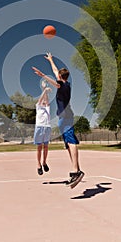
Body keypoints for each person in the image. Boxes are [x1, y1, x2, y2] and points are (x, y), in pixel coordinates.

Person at [32, 52, 84, 188]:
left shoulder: (63, 85)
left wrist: (43, 75)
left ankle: (76, 170)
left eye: (58, 76)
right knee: (68, 143)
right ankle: (76, 171)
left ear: (61, 77)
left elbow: (55, 83)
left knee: (71, 141)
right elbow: (56, 73)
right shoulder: (66, 84)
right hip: (64, 117)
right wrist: (51, 60)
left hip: (66, 116)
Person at [34, 80, 52, 175]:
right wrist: (44, 89)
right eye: (43, 100)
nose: (44, 101)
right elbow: (41, 99)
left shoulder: (47, 107)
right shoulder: (38, 106)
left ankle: (44, 162)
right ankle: (38, 164)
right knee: (39, 147)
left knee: (46, 147)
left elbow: (46, 100)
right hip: (39, 127)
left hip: (47, 127)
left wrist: (46, 92)